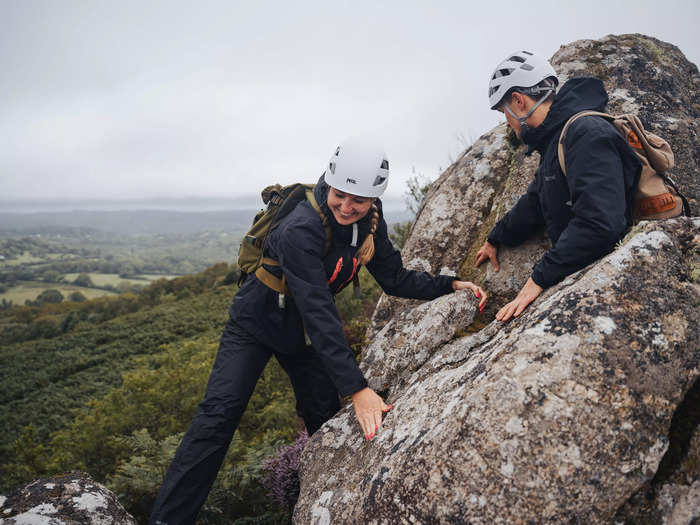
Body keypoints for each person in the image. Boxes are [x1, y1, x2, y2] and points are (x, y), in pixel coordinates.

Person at [150, 138, 488, 524]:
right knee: (218, 417)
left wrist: (449, 284)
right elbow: (319, 312)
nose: (346, 207)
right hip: (255, 324)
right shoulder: (301, 228)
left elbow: (394, 278)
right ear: (330, 181)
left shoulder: (369, 223)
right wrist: (359, 390)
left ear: (373, 198)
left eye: (357, 201)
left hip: (299, 335)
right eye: (340, 195)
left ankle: (313, 502)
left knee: (325, 416)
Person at [475, 51, 641, 321]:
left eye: (502, 112)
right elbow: (536, 201)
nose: (505, 122)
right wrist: (496, 237)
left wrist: (538, 280)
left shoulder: (586, 133)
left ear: (517, 101)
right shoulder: (557, 138)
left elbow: (600, 223)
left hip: (619, 284)